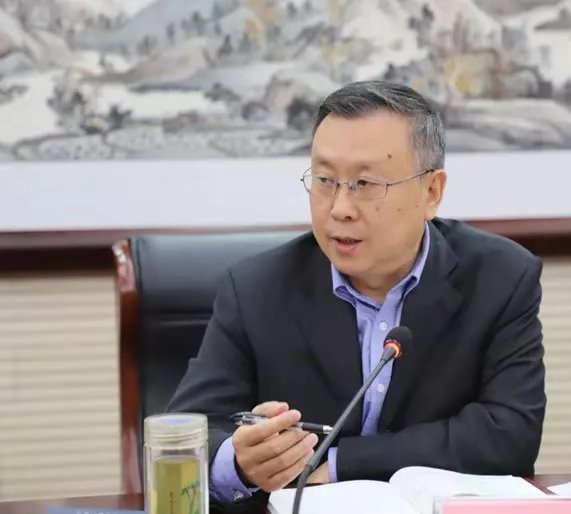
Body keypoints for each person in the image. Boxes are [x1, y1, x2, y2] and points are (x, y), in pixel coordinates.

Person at [168, 81, 546, 511]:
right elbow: (185, 437)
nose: (340, 208)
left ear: (431, 192)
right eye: (325, 180)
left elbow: (509, 434)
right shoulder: (255, 288)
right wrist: (239, 463)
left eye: (365, 183)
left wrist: (336, 462)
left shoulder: (500, 277)